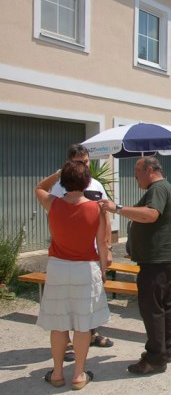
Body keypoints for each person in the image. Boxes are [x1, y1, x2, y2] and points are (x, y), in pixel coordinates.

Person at [99, 156, 171, 374]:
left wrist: (117, 208)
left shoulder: (158, 189)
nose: (135, 177)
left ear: (150, 170)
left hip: (156, 260)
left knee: (152, 309)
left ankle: (155, 358)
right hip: (164, 259)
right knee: (165, 306)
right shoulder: (165, 188)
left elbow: (151, 214)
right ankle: (165, 351)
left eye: (137, 172)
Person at [35, 160, 110, 390]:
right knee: (82, 324)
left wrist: (56, 174)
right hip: (85, 268)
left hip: (58, 267)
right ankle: (78, 374)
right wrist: (103, 271)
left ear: (63, 181)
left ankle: (57, 373)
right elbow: (102, 243)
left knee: (59, 324)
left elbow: (39, 187)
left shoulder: (53, 203)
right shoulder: (96, 208)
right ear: (87, 181)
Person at [49, 144, 114, 360]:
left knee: (90, 299)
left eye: (86, 161)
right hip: (68, 253)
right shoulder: (60, 186)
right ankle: (68, 342)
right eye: (80, 162)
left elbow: (106, 215)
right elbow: (55, 214)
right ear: (70, 163)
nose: (85, 165)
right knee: (69, 301)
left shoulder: (96, 184)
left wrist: (108, 248)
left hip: (93, 250)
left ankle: (91, 334)